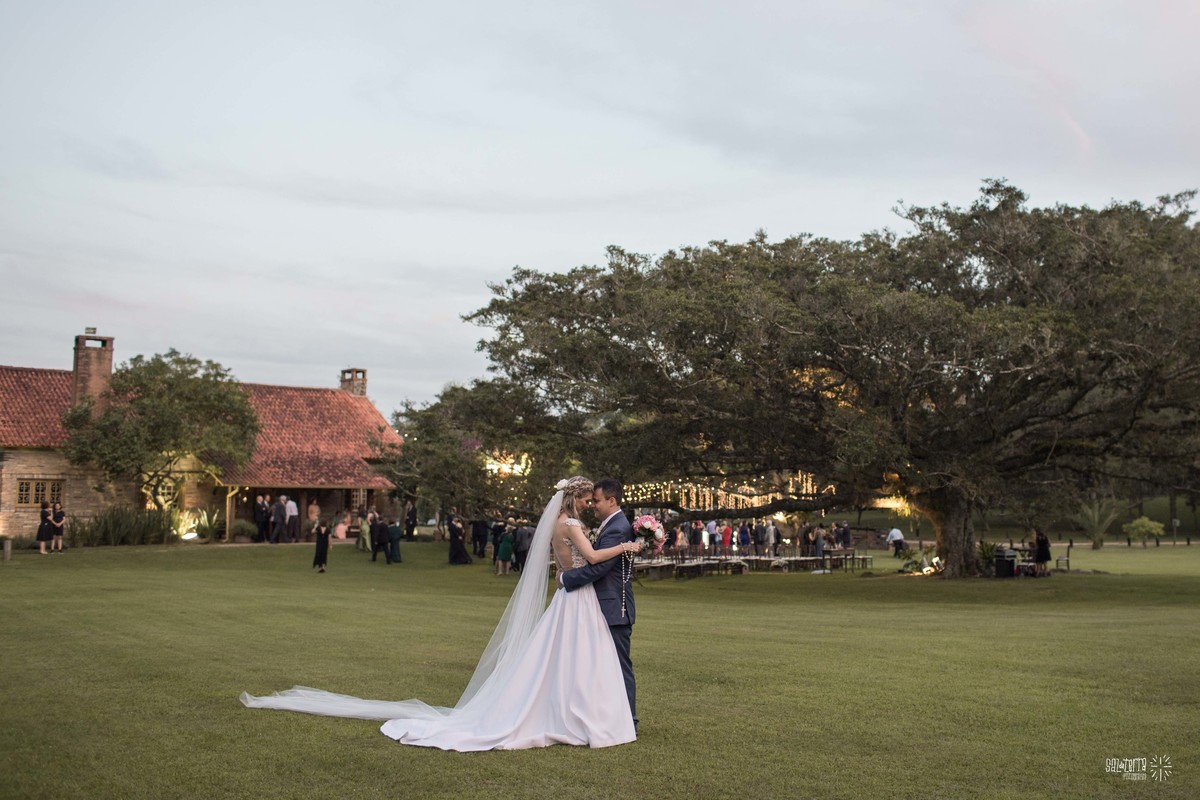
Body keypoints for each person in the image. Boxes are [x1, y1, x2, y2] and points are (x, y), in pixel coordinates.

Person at [242, 476, 641, 750]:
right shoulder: (570, 523)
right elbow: (589, 556)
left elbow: (572, 562)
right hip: (575, 598)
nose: (591, 505)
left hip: (570, 597)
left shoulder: (558, 522)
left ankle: (575, 710)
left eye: (595, 500)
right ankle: (580, 714)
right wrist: (626, 549)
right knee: (577, 658)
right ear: (576, 499)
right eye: (588, 499)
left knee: (564, 659)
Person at [559, 477, 639, 731]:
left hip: (614, 606)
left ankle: (629, 720)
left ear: (612, 500)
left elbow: (600, 567)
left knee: (619, 665)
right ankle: (606, 717)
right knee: (601, 666)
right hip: (599, 604)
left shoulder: (617, 528)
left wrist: (566, 578)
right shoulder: (610, 525)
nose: (593, 505)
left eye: (597, 500)